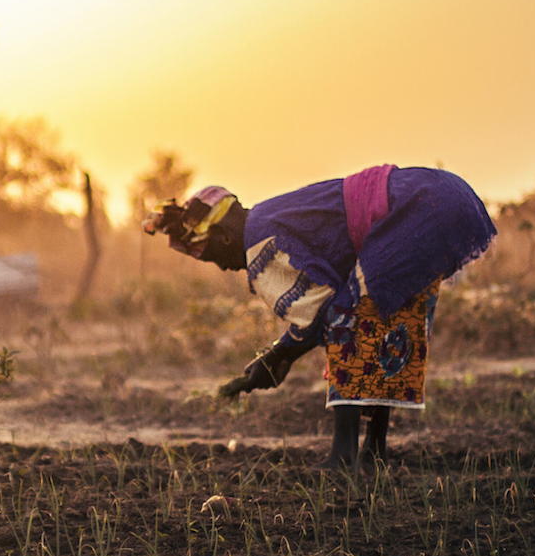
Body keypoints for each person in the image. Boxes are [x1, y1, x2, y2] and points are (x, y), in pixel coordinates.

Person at [143, 165, 496, 469]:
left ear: (223, 237)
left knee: (350, 315)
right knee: (380, 316)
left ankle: (344, 455)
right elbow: (322, 308)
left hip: (419, 209)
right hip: (445, 195)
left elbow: (321, 310)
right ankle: (374, 453)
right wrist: (278, 356)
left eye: (213, 258)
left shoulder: (259, 244)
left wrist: (277, 358)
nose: (222, 267)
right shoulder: (268, 216)